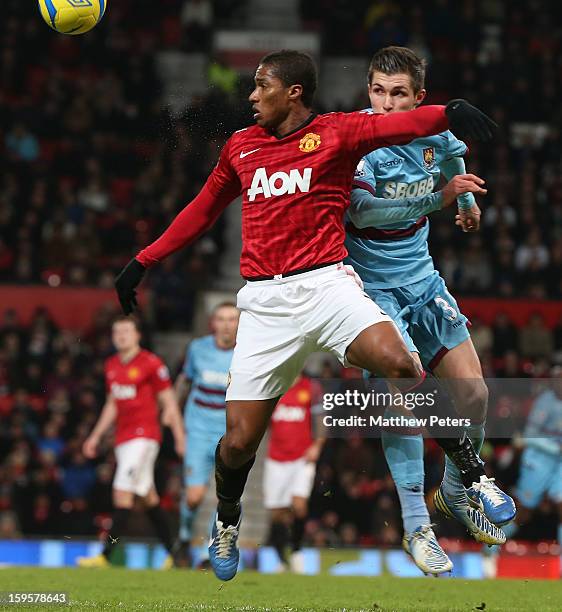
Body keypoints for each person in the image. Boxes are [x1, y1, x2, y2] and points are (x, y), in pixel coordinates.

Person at [114, 49, 503, 581]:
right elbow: (203, 208)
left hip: (328, 284)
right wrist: (144, 259)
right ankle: (227, 520)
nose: (251, 96)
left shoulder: (335, 133)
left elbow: (413, 124)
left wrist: (448, 112)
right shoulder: (241, 148)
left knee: (399, 363)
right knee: (238, 443)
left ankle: (472, 477)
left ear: (292, 91)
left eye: (260, 86)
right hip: (265, 304)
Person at [344, 46, 516, 574]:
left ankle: (456, 493)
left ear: (419, 98)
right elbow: (364, 211)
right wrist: (442, 200)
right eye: (378, 90)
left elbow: (452, 154)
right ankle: (417, 524)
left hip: (423, 282)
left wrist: (466, 204)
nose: (387, 103)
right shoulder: (357, 144)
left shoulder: (432, 133)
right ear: (367, 90)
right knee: (403, 395)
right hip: (369, 290)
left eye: (399, 94)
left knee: (474, 391)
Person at [77, 316, 185, 569]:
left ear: (137, 335)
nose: (121, 336)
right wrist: (95, 435)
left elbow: (168, 400)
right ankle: (176, 554)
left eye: (126, 331)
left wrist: (180, 437)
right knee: (148, 498)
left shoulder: (150, 363)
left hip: (144, 436)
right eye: (117, 332)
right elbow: (112, 403)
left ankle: (104, 556)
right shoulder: (112, 365)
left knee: (122, 493)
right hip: (123, 438)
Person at [174, 302, 239, 566]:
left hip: (228, 434)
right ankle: (184, 536)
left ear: (239, 324)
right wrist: (176, 424)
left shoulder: (246, 354)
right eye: (221, 319)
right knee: (194, 496)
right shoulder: (197, 349)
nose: (226, 324)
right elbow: (184, 383)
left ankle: (210, 551)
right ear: (213, 323)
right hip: (198, 430)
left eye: (231, 319)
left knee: (223, 497)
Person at [484, 367, 562, 578]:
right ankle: (491, 547)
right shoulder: (544, 402)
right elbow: (528, 435)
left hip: (560, 464)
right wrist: (554, 448)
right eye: (557, 380)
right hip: (539, 460)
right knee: (523, 511)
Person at [264, 374, 324, 573]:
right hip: (276, 459)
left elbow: (322, 420)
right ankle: (282, 560)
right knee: (277, 514)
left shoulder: (311, 388)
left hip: (302, 458)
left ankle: (297, 551)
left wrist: (317, 446)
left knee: (299, 505)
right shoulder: (274, 386)